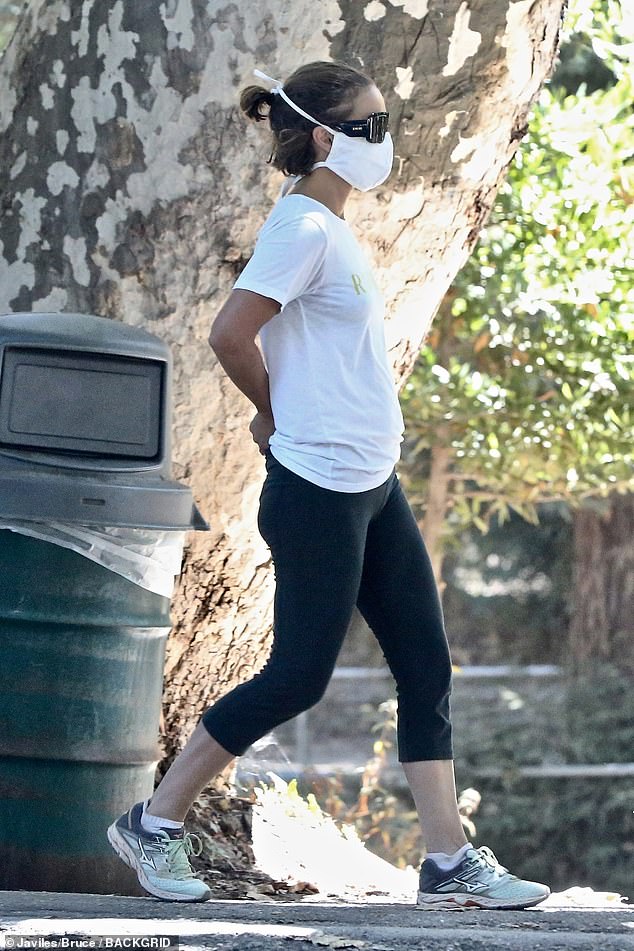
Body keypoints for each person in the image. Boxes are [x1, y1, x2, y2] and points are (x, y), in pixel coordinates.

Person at [107, 60, 550, 910]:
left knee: (426, 663)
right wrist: (277, 418)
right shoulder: (304, 227)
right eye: (372, 128)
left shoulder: (335, 233)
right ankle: (154, 823)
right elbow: (231, 332)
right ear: (323, 137)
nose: (386, 144)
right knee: (300, 676)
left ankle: (449, 859)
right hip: (316, 484)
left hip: (370, 480)